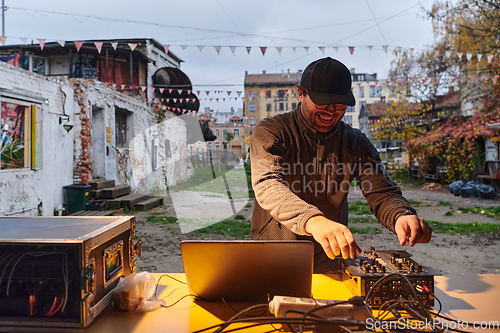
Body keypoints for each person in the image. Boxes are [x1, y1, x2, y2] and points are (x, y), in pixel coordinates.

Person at [250, 57, 432, 273]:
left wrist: (401, 215)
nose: (331, 112)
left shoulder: (355, 142)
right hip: (274, 253)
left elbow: (381, 192)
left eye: (339, 105)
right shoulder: (271, 131)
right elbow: (268, 184)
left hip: (330, 258)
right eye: (323, 103)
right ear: (301, 94)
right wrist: (314, 221)